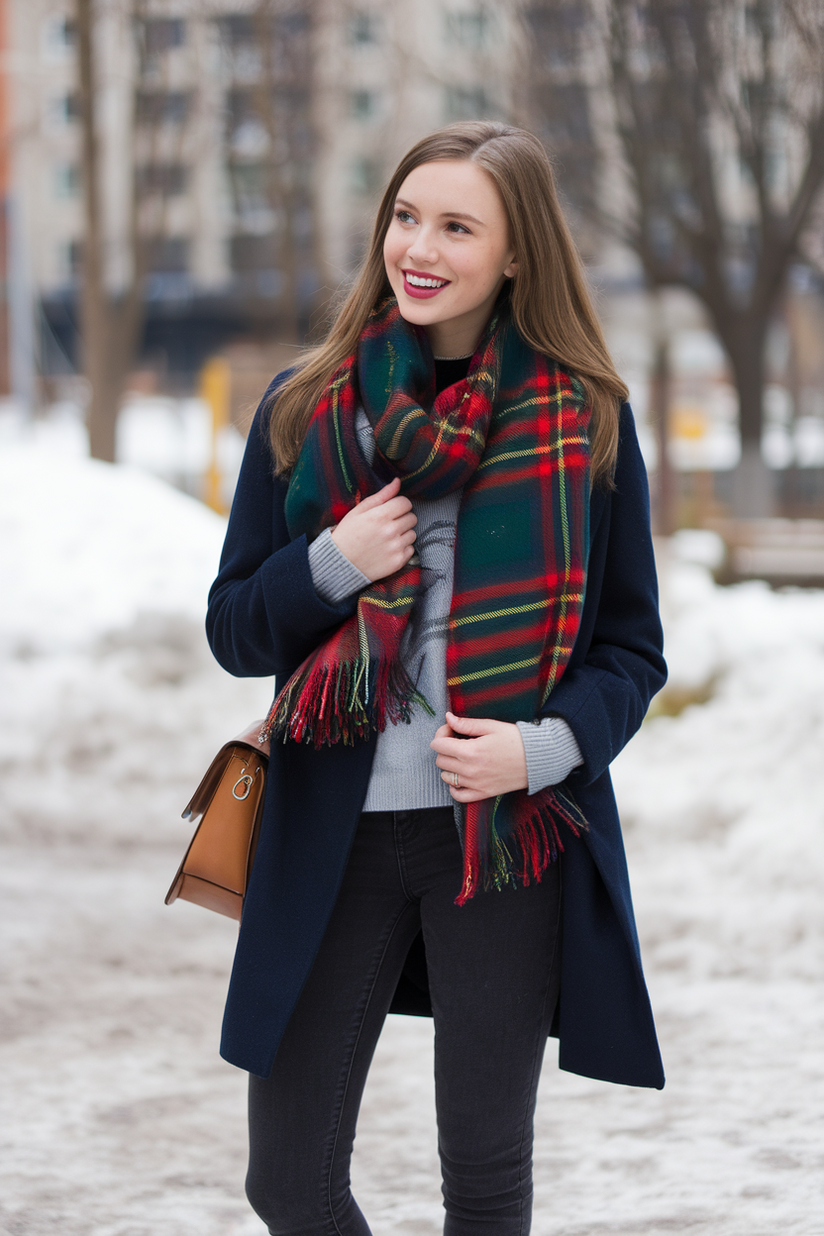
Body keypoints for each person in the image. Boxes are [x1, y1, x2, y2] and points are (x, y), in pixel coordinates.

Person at [206, 121, 667, 1236]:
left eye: (456, 225)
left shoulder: (582, 420)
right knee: (289, 1181)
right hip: (333, 832)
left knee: (485, 1187)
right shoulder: (305, 406)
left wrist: (541, 748)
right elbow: (233, 629)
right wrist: (333, 563)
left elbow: (630, 651)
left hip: (501, 844)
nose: (417, 245)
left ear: (515, 255)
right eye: (405, 217)